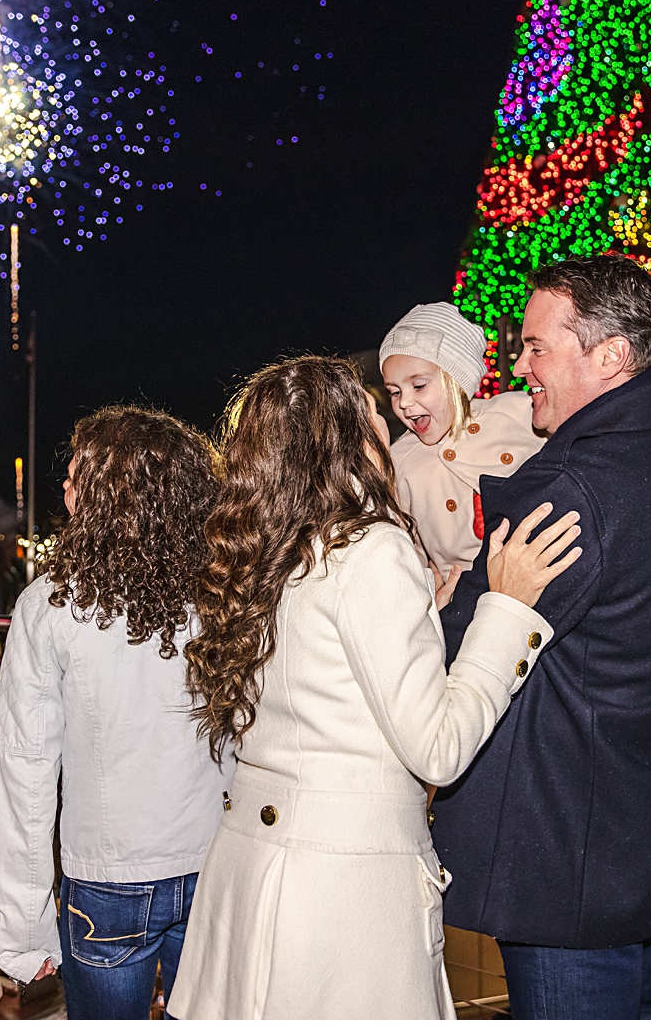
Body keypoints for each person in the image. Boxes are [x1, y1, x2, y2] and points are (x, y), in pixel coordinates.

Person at [168, 356, 580, 1019]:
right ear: (350, 439)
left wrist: (430, 619)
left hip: (252, 869)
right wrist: (505, 611)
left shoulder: (260, 548)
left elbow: (322, 686)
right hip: (341, 889)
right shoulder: (372, 551)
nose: (390, 432)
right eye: (375, 420)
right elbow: (438, 750)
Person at [430, 254, 651, 1019]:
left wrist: (443, 600)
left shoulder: (570, 487)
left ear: (608, 356)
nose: (519, 363)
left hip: (569, 849)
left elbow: (454, 649)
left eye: (538, 345)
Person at [0, 405, 235, 1019]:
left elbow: (24, 771)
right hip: (217, 860)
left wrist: (23, 929)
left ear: (112, 492)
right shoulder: (223, 593)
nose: (66, 485)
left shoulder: (50, 605)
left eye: (80, 472)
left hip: (107, 880)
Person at [380, 300, 651, 580]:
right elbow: (407, 546)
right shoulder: (399, 461)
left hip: (545, 583)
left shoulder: (513, 412)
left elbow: (602, 396)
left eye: (419, 386)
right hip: (467, 604)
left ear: (458, 380)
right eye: (394, 392)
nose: (405, 403)